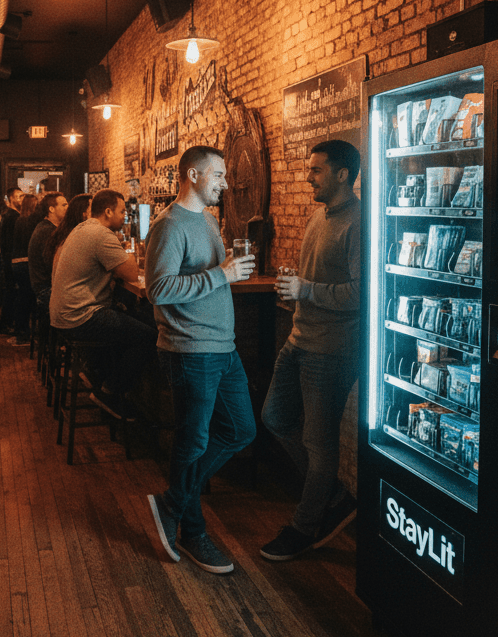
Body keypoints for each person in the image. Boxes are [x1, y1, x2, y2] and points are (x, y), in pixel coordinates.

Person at [144, 146, 257, 575]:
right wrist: (222, 275)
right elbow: (159, 290)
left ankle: (171, 504)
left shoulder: (208, 221)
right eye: (219, 175)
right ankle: (193, 532)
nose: (226, 183)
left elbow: (207, 282)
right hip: (190, 349)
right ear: (193, 174)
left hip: (222, 348)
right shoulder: (169, 225)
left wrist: (227, 276)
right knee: (192, 441)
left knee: (241, 429)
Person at [260, 139, 362, 562]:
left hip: (332, 349)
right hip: (300, 338)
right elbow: (313, 280)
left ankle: (305, 527)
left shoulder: (359, 223)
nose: (308, 177)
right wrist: (298, 293)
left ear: (342, 174)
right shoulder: (318, 216)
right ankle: (336, 498)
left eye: (317, 170)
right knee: (273, 417)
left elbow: (361, 292)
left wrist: (307, 290)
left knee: (319, 444)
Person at [49, 189, 155, 421]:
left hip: (63, 314)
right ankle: (109, 392)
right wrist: (124, 247)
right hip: (80, 316)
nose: (125, 216)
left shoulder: (82, 228)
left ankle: (96, 371)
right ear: (108, 212)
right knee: (149, 336)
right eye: (122, 211)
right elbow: (130, 274)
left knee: (126, 320)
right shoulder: (102, 235)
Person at [28, 192, 69, 308]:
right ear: (51, 209)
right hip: (46, 289)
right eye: (64, 205)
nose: (68, 208)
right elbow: (54, 264)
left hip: (45, 286)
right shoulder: (47, 231)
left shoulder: (47, 227)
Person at [9, 193, 39, 345]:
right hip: (27, 262)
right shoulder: (32, 221)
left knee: (22, 297)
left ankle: (21, 331)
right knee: (28, 299)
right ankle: (26, 333)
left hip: (16, 262)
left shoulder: (20, 219)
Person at [0, 188, 23, 335]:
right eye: (18, 196)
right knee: (11, 292)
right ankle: (6, 325)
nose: (21, 199)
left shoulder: (11, 215)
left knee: (10, 292)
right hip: (10, 260)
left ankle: (7, 324)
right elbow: (8, 242)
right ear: (11, 199)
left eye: (22, 196)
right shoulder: (12, 216)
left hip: (9, 259)